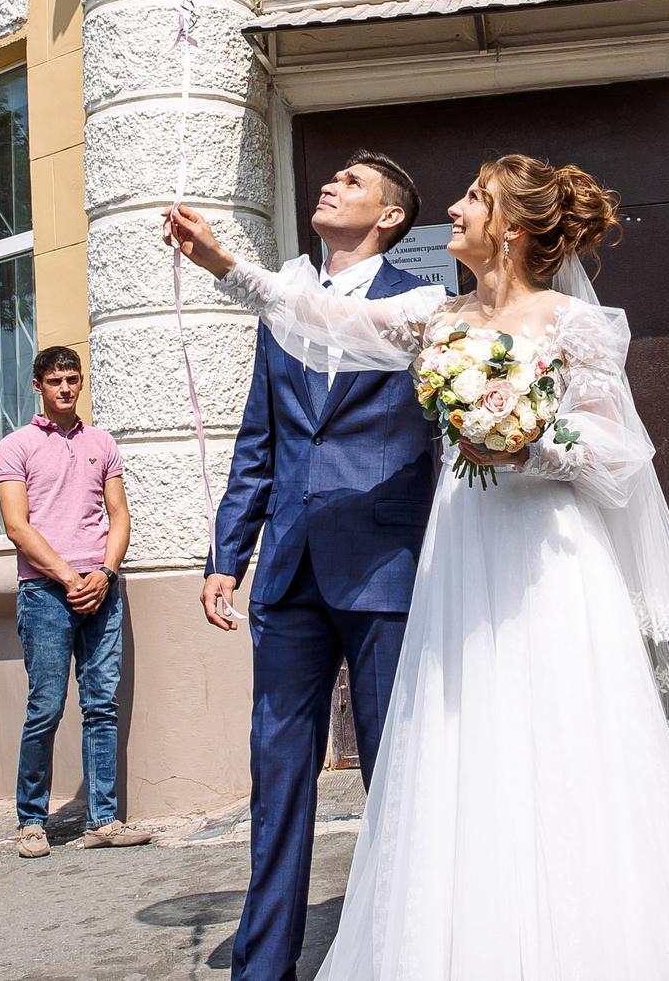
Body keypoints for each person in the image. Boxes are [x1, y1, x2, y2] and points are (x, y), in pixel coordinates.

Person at [165, 155, 669, 980]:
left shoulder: (577, 325)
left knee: (562, 735)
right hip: (460, 550)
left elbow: (621, 451)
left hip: (551, 555)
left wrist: (529, 443)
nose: (455, 208)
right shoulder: (433, 319)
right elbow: (314, 315)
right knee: (461, 742)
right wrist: (226, 264)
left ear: (510, 226)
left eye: (472, 198)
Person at [198, 153, 436, 980]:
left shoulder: (421, 301)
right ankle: (262, 966)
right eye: (327, 177)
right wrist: (227, 553)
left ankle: (406, 951)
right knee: (278, 773)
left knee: (394, 771)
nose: (329, 185)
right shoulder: (283, 310)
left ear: (391, 215)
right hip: (289, 567)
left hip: (383, 564)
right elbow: (257, 440)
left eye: (352, 182)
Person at [0, 346, 148, 856]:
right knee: (45, 706)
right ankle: (31, 820)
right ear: (37, 384)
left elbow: (119, 514)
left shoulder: (102, 442)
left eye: (72, 379)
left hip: (101, 588)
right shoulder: (15, 446)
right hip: (45, 592)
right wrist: (67, 576)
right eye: (55, 380)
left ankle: (103, 819)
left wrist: (104, 573)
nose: (65, 388)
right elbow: (17, 525)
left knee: (101, 704)